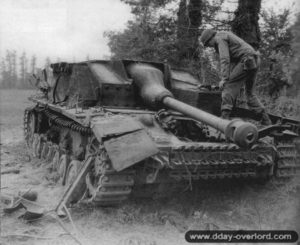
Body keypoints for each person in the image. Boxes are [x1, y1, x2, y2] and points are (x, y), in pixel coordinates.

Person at [199, 29, 272, 125]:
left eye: (208, 44)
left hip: (247, 60)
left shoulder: (219, 38)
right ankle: (266, 120)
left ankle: (224, 119)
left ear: (210, 38)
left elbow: (225, 59)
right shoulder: (225, 35)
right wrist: (228, 77)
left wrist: (224, 79)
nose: (210, 46)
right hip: (254, 60)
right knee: (250, 94)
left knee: (228, 87)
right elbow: (233, 63)